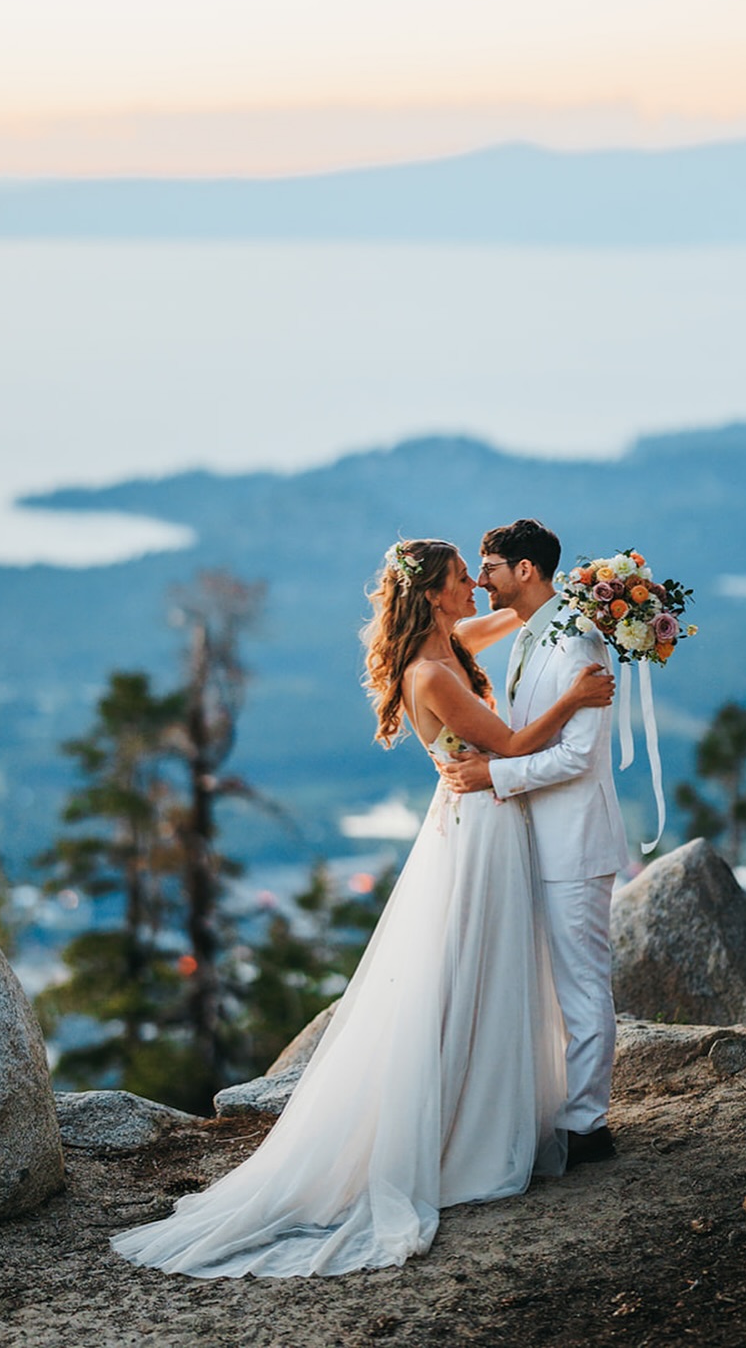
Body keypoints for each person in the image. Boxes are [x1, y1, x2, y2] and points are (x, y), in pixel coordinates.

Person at [110, 536, 613, 1279]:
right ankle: (464, 1133)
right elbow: (506, 743)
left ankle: (491, 1110)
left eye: (478, 576)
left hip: (485, 824)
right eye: (461, 579)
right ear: (435, 593)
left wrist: (590, 599)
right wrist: (573, 699)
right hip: (479, 830)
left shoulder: (451, 640)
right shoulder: (431, 674)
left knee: (489, 969)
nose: (475, 584)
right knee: (469, 970)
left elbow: (512, 619)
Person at [440, 518, 629, 1169]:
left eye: (488, 566)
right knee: (550, 986)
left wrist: (495, 774)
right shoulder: (528, 635)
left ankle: (588, 1125)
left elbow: (578, 755)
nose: (479, 579)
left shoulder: (580, 642)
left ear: (525, 570)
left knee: (581, 984)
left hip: (574, 838)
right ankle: (557, 1110)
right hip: (533, 837)